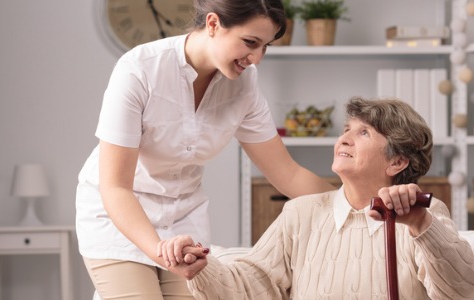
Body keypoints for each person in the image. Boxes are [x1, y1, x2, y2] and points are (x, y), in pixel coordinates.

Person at [75, 0, 427, 298]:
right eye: (249, 42)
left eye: (265, 46)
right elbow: (116, 187)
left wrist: (368, 204)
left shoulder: (243, 86)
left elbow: (286, 173)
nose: (256, 57)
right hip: (119, 216)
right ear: (213, 24)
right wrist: (158, 250)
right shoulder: (140, 70)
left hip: (182, 217)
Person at [166, 97, 474, 299]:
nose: (345, 139)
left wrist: (420, 224)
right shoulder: (300, 214)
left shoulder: (425, 213)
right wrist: (202, 268)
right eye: (347, 129)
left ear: (397, 162)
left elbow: (462, 288)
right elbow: (253, 285)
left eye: (363, 133)